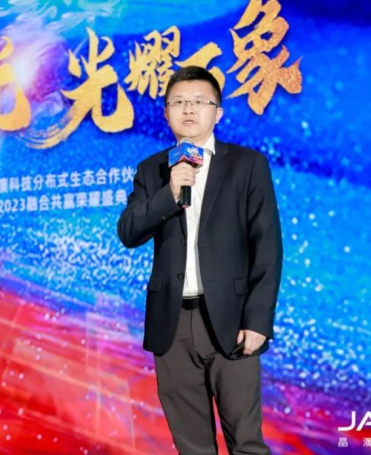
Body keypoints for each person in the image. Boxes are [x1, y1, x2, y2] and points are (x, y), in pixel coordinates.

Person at [117, 66, 283, 454]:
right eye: (178, 102)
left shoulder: (247, 165)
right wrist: (170, 193)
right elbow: (129, 232)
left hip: (232, 319)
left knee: (246, 442)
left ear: (217, 112)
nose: (188, 109)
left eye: (198, 101)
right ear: (166, 113)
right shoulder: (151, 170)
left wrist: (258, 321)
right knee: (192, 447)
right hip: (172, 324)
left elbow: (267, 246)